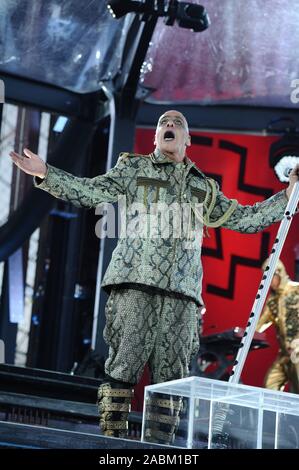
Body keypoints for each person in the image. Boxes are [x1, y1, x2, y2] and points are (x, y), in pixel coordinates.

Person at [9, 110, 299, 442]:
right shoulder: (132, 168)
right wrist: (46, 173)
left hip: (182, 295)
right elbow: (89, 192)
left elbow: (247, 220)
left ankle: (159, 450)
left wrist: (287, 197)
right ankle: (112, 444)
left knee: (172, 381)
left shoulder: (203, 187)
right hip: (135, 282)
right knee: (122, 369)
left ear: (188, 139)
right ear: (155, 136)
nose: (169, 126)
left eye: (177, 123)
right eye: (163, 123)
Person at [256, 259, 299, 393]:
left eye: (270, 277)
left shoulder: (297, 290)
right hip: (285, 355)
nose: (268, 282)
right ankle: (275, 415)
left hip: (297, 350)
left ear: (279, 273)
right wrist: (246, 335)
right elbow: (259, 324)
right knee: (270, 383)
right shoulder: (272, 301)